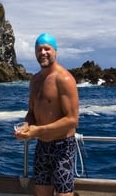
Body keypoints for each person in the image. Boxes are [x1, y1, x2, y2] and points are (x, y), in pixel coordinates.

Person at [14, 33, 80, 196]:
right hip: (42, 146)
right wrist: (26, 126)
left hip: (63, 147)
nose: (43, 52)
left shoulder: (64, 79)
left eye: (47, 49)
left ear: (55, 51)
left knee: (64, 194)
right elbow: (31, 112)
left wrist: (38, 131)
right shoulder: (35, 80)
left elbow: (72, 120)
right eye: (39, 49)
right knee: (41, 192)